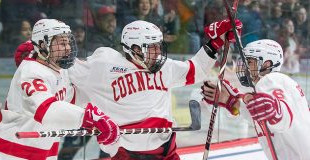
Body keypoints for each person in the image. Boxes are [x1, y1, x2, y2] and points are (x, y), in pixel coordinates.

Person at [68, 19, 242, 159]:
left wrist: (215, 42)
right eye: (152, 47)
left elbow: (195, 70)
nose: (158, 52)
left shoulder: (164, 67)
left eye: (159, 46)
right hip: (127, 154)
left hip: (166, 152)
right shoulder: (103, 66)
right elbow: (65, 68)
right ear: (134, 48)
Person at [0, 19, 119, 160]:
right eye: (62, 43)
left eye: (68, 42)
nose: (68, 48)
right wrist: (90, 117)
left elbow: (71, 100)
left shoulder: (60, 70)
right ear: (43, 45)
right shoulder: (31, 71)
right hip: (7, 152)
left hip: (43, 151)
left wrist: (107, 108)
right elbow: (47, 109)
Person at [201, 39, 310, 159]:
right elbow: (261, 114)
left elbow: (284, 115)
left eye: (250, 61)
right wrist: (231, 101)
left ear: (267, 64)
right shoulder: (279, 83)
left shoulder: (270, 80)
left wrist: (276, 112)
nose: (245, 66)